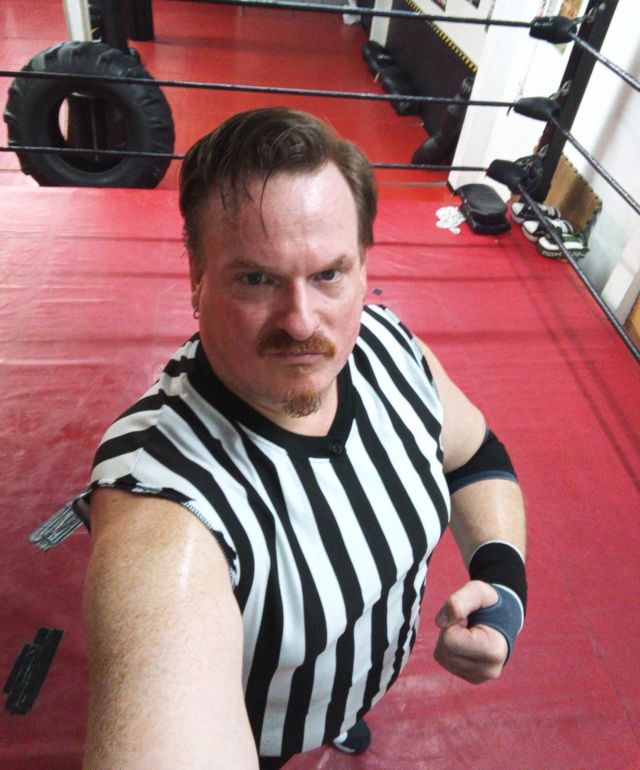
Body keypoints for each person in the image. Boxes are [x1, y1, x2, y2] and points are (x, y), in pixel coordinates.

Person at [71, 107, 527, 769]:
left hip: (359, 682)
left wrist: (504, 586)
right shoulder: (168, 509)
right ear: (197, 277)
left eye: (328, 275)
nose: (302, 322)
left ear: (363, 268)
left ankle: (339, 715)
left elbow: (476, 457)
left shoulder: (389, 350)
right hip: (261, 736)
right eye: (256, 279)